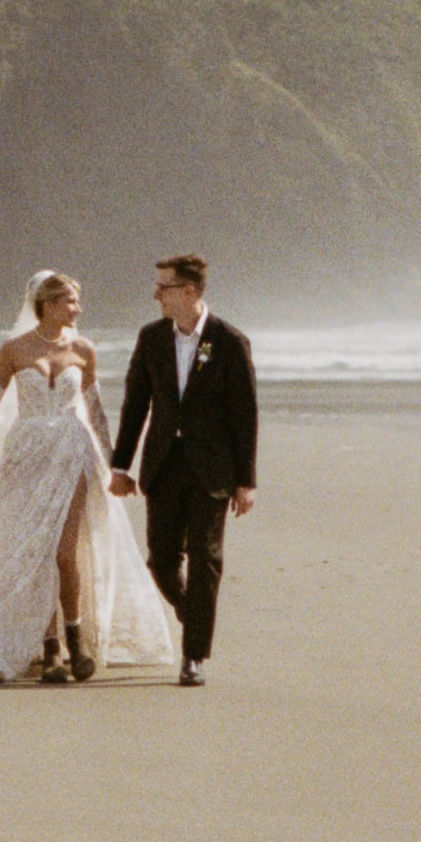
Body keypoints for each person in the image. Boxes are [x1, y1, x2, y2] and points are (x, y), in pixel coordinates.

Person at [0, 271, 172, 683]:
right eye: (70, 301)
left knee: (64, 553)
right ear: (47, 304)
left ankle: (76, 639)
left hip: (71, 452)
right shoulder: (13, 350)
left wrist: (116, 467)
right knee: (36, 552)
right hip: (26, 457)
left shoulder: (84, 349)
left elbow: (98, 415)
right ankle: (50, 649)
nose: (77, 309)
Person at [109, 253, 258, 686]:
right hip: (164, 466)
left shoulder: (229, 341)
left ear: (188, 291)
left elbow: (245, 415)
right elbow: (136, 404)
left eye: (163, 287)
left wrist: (247, 480)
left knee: (206, 560)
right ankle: (192, 612)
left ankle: (194, 655)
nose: (155, 294)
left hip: (213, 471)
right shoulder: (151, 338)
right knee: (161, 561)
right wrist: (121, 465)